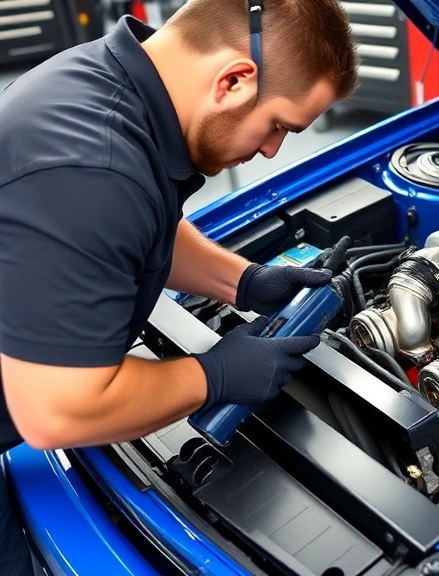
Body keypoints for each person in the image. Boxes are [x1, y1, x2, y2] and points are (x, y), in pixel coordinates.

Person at [0, 0, 359, 572]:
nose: (272, 151)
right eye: (280, 127)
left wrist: (242, 282)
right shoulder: (95, 168)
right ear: (234, 80)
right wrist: (212, 376)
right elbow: (57, 413)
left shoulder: (103, 81)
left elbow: (140, 225)